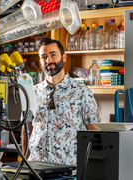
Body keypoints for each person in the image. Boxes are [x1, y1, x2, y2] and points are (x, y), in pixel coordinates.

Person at [21, 38, 100, 166]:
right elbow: (27, 128)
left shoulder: (82, 92)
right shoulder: (31, 92)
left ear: (64, 57)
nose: (49, 60)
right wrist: (24, 161)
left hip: (68, 168)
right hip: (36, 166)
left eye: (53, 55)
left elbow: (93, 129)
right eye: (44, 57)